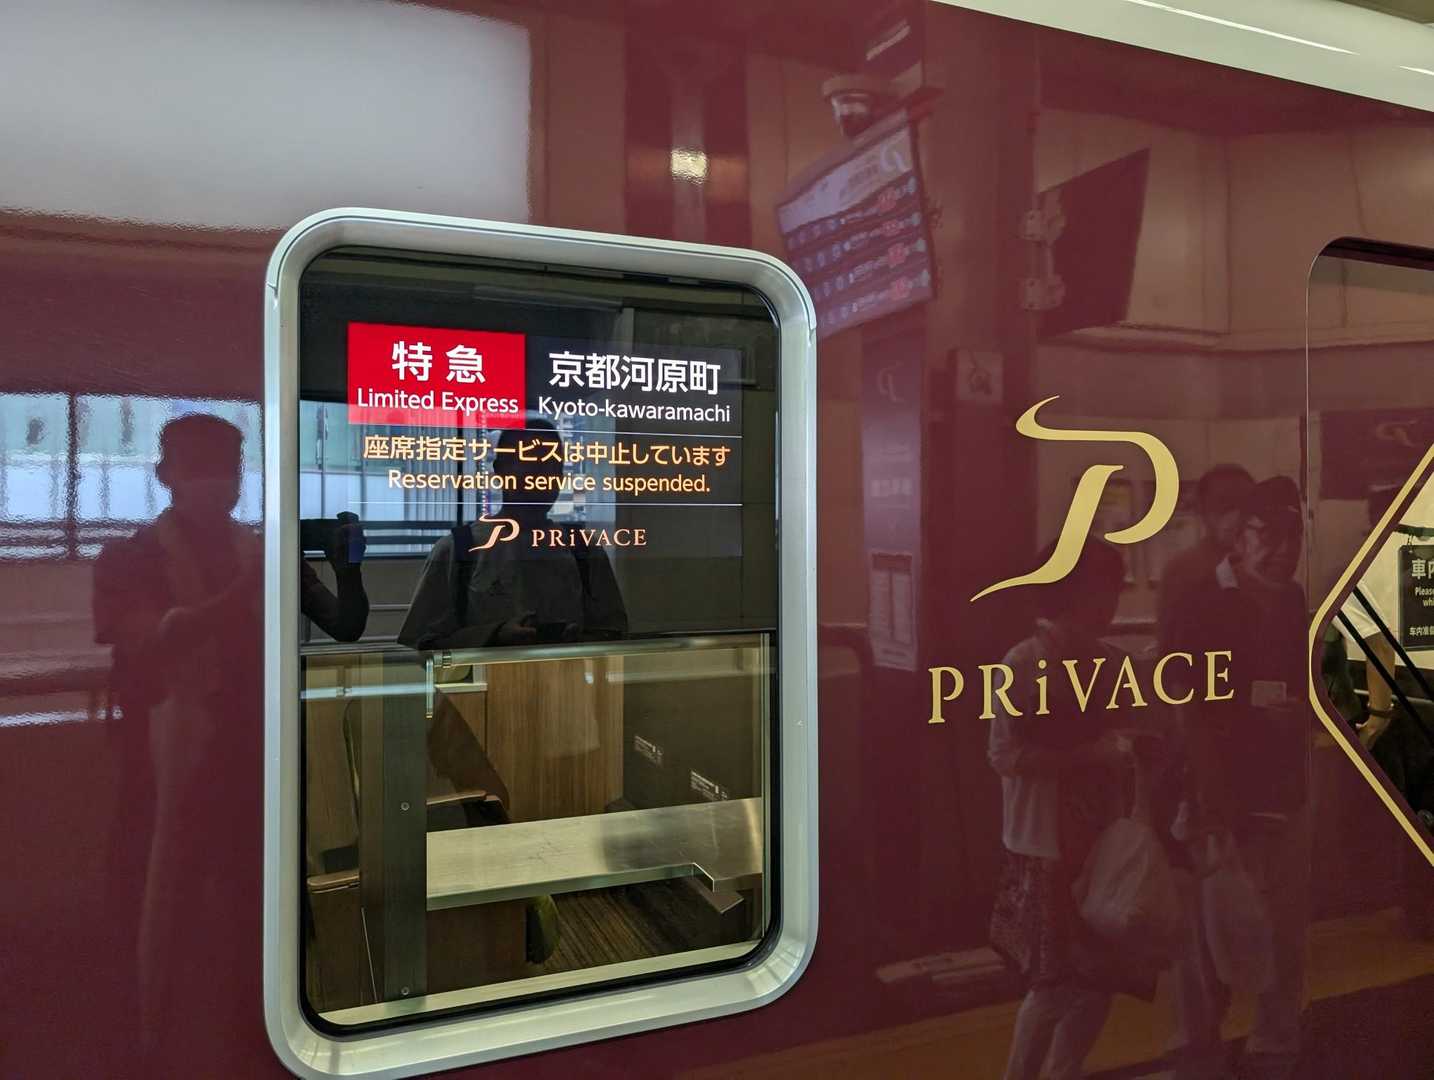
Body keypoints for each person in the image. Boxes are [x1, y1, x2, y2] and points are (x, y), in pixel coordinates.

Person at [91, 413, 263, 1066]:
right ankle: (140, 1039)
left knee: (250, 902)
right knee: (153, 897)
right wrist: (244, 593)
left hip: (247, 758)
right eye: (201, 467)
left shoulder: (257, 551)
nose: (218, 482)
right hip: (162, 764)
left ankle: (251, 1032)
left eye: (229, 468)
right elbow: (153, 638)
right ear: (166, 475)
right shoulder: (129, 557)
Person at [989, 539, 1156, 1080]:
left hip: (1102, 841)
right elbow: (1005, 755)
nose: (1108, 601)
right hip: (1047, 845)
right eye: (1098, 588)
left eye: (1112, 588)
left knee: (1100, 977)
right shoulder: (1023, 663)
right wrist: (1089, 755)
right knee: (1055, 981)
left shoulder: (1115, 663)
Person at [1163, 476, 1311, 1080]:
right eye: (1267, 535)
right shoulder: (1200, 602)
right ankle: (1199, 1049)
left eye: (1293, 537)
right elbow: (1184, 706)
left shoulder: (1294, 601)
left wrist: (1304, 710)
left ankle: (1275, 1044)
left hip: (1282, 788)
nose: (1283, 550)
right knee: (1206, 938)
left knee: (1285, 928)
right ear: (1238, 537)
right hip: (1217, 794)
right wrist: (1209, 790)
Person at [398, 421, 627, 650]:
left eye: (553, 466)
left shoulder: (583, 549)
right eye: (532, 463)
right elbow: (421, 643)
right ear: (500, 470)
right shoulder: (458, 549)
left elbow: (613, 634)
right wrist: (494, 636)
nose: (544, 477)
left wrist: (579, 640)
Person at [1157, 464, 1254, 649]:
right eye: (1224, 504)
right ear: (1202, 510)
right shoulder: (1182, 571)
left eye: (1246, 504)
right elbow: (1171, 646)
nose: (1237, 515)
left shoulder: (1266, 563)